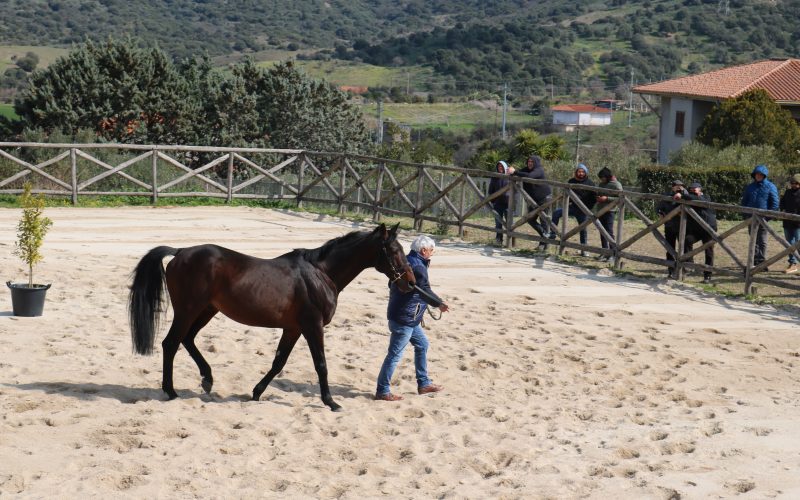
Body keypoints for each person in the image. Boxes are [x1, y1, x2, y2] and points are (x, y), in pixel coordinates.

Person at [376, 235, 450, 402]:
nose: (432, 254)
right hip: (405, 318)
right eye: (431, 251)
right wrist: (439, 304)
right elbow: (424, 290)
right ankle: (382, 390)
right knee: (394, 355)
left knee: (422, 344)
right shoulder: (418, 267)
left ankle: (424, 384)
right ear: (424, 250)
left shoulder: (405, 260)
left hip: (405, 316)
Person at [549, 163, 596, 256]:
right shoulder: (571, 181)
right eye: (579, 171)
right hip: (572, 207)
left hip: (583, 210)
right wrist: (568, 200)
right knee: (556, 213)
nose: (581, 173)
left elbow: (594, 198)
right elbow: (567, 193)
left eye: (583, 172)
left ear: (586, 173)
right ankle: (552, 234)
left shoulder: (590, 183)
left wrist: (588, 208)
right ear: (576, 172)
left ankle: (584, 248)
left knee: (583, 228)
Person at [741, 164, 779, 268]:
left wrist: (767, 217)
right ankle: (753, 260)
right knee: (753, 239)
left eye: (760, 174)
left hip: (763, 218)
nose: (758, 176)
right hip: (751, 218)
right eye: (756, 174)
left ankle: (761, 261)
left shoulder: (771, 186)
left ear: (764, 175)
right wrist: (745, 214)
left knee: (762, 240)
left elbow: (775, 204)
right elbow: (744, 201)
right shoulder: (750, 187)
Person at [511, 155, 552, 250]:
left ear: (536, 163)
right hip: (533, 200)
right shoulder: (526, 169)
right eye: (528, 161)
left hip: (544, 198)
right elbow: (516, 173)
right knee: (529, 219)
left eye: (532, 162)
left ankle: (543, 245)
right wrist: (512, 172)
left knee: (543, 220)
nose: (529, 163)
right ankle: (545, 235)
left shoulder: (539, 170)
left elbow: (530, 176)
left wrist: (516, 172)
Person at [683, 182, 718, 284]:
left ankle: (708, 275)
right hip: (697, 229)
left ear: (700, 189)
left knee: (709, 251)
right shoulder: (690, 198)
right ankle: (689, 264)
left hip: (709, 228)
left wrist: (684, 195)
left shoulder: (706, 197)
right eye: (691, 189)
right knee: (687, 240)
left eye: (695, 189)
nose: (693, 190)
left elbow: (700, 200)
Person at [657, 179, 689, 278]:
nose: (679, 187)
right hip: (670, 226)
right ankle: (671, 270)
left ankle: (684, 270)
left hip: (682, 227)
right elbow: (659, 208)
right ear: (673, 187)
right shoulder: (667, 196)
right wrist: (661, 214)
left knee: (684, 248)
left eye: (681, 185)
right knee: (670, 248)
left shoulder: (687, 196)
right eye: (677, 185)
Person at [595, 167, 623, 262]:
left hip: (610, 211)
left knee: (609, 232)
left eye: (602, 177)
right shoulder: (602, 184)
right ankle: (604, 251)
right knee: (602, 231)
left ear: (607, 176)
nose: (601, 179)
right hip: (600, 210)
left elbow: (620, 198)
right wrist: (598, 197)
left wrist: (606, 198)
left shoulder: (616, 185)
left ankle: (613, 253)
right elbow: (599, 192)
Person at [488, 160, 514, 246]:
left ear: (505, 167)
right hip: (498, 204)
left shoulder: (511, 177)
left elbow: (515, 191)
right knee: (498, 223)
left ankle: (510, 243)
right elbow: (490, 190)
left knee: (510, 223)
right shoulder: (494, 177)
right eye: (498, 166)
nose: (500, 168)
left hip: (508, 204)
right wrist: (492, 200)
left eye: (501, 166)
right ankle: (499, 240)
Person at [779, 173, 800, 274]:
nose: (793, 185)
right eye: (792, 183)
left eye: (795, 183)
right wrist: (782, 209)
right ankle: (793, 263)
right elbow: (782, 203)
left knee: (799, 244)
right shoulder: (787, 192)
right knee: (789, 244)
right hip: (787, 222)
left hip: (798, 224)